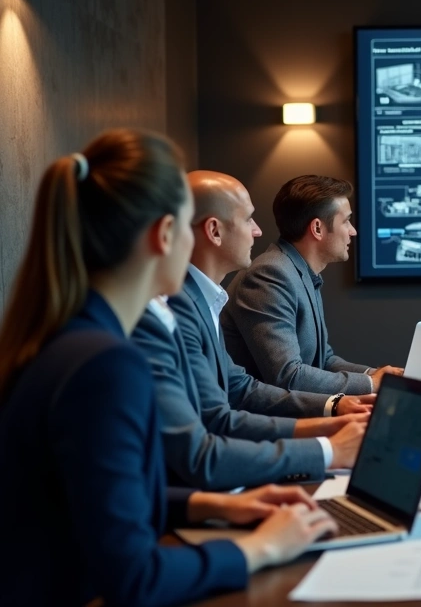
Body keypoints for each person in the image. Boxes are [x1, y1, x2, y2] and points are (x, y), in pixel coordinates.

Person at [0, 130, 334, 606]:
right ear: (164, 235)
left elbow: (91, 502)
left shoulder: (71, 335)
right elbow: (134, 577)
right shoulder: (107, 365)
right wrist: (262, 548)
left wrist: (216, 504)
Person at [133, 171, 370, 490]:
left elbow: (238, 388)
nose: (258, 231)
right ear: (214, 231)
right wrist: (328, 447)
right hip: (207, 483)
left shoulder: (205, 299)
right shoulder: (178, 307)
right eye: (248, 220)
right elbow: (216, 427)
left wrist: (333, 414)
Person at [221, 174, 402, 394]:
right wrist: (373, 384)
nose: (353, 231)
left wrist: (375, 375)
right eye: (346, 221)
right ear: (317, 228)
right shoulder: (270, 275)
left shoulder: (301, 272)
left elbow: (323, 360)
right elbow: (288, 376)